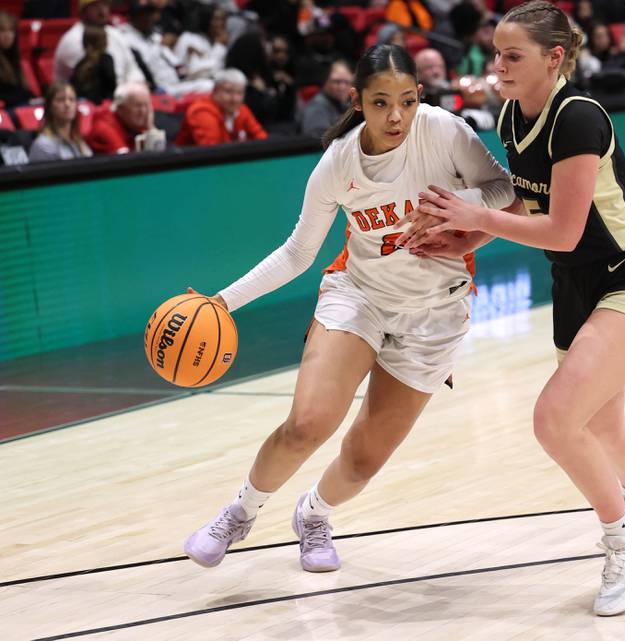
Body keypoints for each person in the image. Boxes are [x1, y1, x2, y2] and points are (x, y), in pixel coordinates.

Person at [395, 1, 625, 616]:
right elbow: (529, 207)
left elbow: (566, 230)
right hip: (574, 287)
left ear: (554, 58)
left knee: (555, 419)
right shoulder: (509, 116)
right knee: (601, 423)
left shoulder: (577, 117)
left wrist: (474, 214)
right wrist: (466, 237)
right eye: (496, 53)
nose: (498, 65)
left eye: (512, 55)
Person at [183, 44, 515, 573]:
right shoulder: (339, 162)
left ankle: (314, 515)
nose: (396, 116)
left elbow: (505, 191)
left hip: (437, 311)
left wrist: (462, 210)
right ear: (358, 101)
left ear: (420, 97)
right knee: (308, 423)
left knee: (363, 458)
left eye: (406, 101)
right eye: (381, 103)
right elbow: (297, 252)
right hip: (358, 295)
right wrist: (222, 303)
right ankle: (239, 512)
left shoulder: (445, 131)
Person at [53, 0, 145, 86]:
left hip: (120, 94)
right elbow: (90, 83)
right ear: (84, 10)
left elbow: (133, 69)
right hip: (82, 99)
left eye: (105, 4)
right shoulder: (73, 39)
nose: (102, 11)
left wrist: (136, 88)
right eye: (96, 6)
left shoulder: (115, 34)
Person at [175, 68, 267, 146]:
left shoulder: (241, 109)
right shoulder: (201, 111)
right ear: (215, 91)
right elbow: (214, 152)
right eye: (228, 91)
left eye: (239, 93)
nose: (235, 99)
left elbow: (262, 138)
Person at [28, 82, 93, 162]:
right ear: (49, 106)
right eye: (60, 100)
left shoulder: (79, 142)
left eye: (71, 99)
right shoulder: (43, 146)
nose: (67, 104)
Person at [86, 81, 156, 154]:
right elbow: (127, 161)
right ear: (120, 109)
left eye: (146, 105)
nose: (143, 111)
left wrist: (151, 128)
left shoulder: (134, 124)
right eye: (138, 106)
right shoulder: (104, 128)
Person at [299, 60, 353, 139]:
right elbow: (317, 142)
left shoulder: (344, 105)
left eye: (347, 82)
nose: (342, 87)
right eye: (336, 82)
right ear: (325, 81)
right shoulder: (316, 107)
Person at [71, 24, 116, 104]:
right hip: (103, 108)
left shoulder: (80, 63)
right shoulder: (106, 59)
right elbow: (112, 86)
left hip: (84, 107)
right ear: (104, 42)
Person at [0, 10, 35, 109]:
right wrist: (27, 98)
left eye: (11, 31)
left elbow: (20, 88)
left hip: (20, 105)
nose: (8, 35)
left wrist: (33, 98)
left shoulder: (13, 57)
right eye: (2, 31)